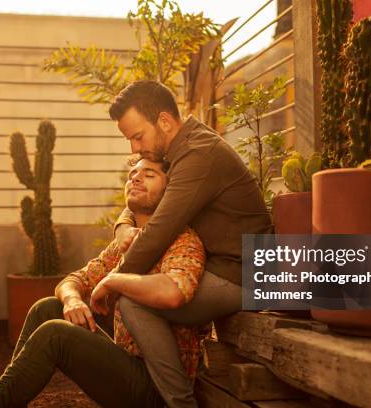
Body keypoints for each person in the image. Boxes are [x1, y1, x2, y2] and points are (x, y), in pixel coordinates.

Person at [0, 158, 207, 408]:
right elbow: (73, 280)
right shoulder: (126, 243)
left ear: (170, 191)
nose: (135, 178)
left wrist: (115, 280)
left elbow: (175, 291)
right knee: (47, 307)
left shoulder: (182, 241)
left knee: (55, 335)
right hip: (127, 366)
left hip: (159, 389)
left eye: (149, 175)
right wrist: (73, 299)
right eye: (133, 174)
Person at [99, 80, 273, 408]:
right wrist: (123, 223)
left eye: (138, 137)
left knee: (133, 301)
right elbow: (151, 194)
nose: (134, 149)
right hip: (223, 267)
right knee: (136, 292)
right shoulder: (181, 148)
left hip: (246, 273)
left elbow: (160, 228)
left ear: (164, 121)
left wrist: (113, 281)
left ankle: (180, 404)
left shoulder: (198, 154)